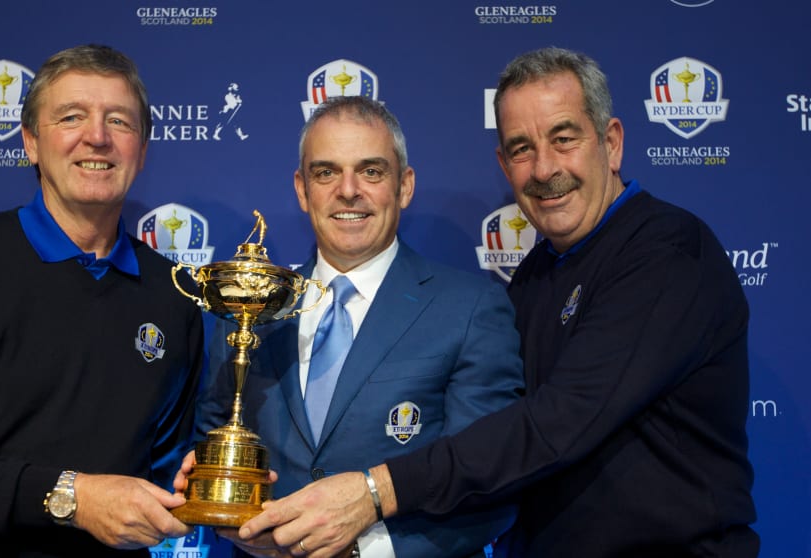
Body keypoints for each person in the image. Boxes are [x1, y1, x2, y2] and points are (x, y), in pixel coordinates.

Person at [232, 47, 759, 557]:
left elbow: (558, 422)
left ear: (611, 142)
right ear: (504, 165)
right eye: (521, 148)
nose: (544, 168)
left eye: (564, 138)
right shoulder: (535, 274)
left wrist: (375, 491)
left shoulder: (667, 251)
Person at [0, 44, 202, 557]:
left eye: (119, 121)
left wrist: (206, 482)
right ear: (30, 142)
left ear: (142, 150)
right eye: (71, 117)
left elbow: (163, 467)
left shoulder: (175, 292)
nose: (97, 136)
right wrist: (72, 497)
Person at [179, 95, 525, 557]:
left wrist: (362, 550)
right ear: (302, 190)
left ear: (404, 186)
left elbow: (488, 479)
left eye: (371, 171)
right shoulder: (249, 306)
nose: (348, 190)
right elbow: (209, 444)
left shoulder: (471, 308)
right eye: (326, 172)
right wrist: (217, 504)